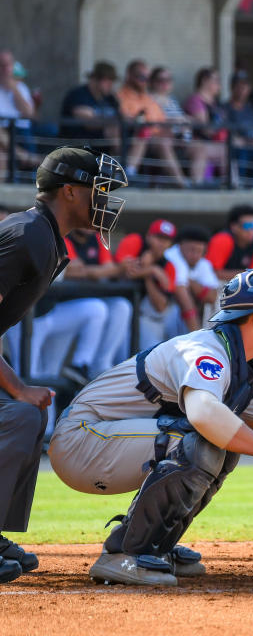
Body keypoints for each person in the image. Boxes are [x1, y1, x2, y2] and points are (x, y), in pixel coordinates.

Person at [48, 268, 253, 586]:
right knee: (200, 443)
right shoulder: (206, 352)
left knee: (221, 447)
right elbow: (204, 414)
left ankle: (156, 547)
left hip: (107, 441)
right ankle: (124, 554)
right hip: (83, 440)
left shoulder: (238, 362)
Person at [0, 147, 127, 583]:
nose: (104, 200)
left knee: (30, 415)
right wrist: (17, 387)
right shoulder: (30, 233)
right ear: (71, 192)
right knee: (19, 412)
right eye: (99, 190)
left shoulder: (48, 237)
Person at [32, 225, 134, 391]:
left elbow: (98, 269)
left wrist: (96, 271)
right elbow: (73, 269)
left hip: (72, 313)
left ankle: (95, 365)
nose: (89, 224)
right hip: (47, 310)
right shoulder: (64, 236)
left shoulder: (98, 239)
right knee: (34, 375)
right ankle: (80, 364)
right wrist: (110, 270)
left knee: (120, 306)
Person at [119, 60, 188, 187]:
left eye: (147, 77)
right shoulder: (120, 96)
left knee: (196, 145)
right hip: (137, 136)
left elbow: (161, 120)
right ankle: (182, 184)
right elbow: (128, 120)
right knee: (154, 139)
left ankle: (198, 182)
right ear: (129, 76)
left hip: (156, 136)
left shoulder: (146, 97)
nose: (144, 80)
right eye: (141, 77)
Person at [115, 219, 180, 349]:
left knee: (150, 354)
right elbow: (121, 272)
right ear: (148, 236)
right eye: (158, 237)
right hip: (117, 309)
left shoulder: (169, 266)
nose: (161, 243)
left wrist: (147, 274)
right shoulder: (135, 241)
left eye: (166, 240)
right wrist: (152, 270)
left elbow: (161, 306)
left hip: (146, 318)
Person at [165, 227, 222, 333]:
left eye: (199, 251)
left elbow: (212, 296)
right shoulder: (173, 256)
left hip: (178, 314)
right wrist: (197, 337)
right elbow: (182, 295)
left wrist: (191, 283)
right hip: (153, 314)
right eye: (191, 250)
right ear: (180, 246)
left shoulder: (203, 263)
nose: (195, 255)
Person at [182, 67, 227, 186]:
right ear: (204, 81)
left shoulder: (216, 104)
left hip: (213, 143)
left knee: (228, 149)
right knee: (223, 151)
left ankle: (231, 186)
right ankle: (197, 185)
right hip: (195, 142)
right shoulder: (195, 100)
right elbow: (206, 128)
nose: (219, 84)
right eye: (216, 80)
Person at [60, 60, 121, 144]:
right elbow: (89, 123)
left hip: (105, 147)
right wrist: (113, 122)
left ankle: (125, 157)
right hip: (79, 146)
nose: (110, 84)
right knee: (113, 131)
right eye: (107, 80)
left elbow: (121, 117)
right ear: (95, 79)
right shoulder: (78, 95)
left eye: (112, 80)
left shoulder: (110, 98)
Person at [206, 205, 253, 283]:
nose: (252, 230)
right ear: (234, 227)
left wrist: (246, 274)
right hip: (215, 285)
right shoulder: (223, 239)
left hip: (238, 283)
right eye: (247, 226)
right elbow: (212, 273)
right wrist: (246, 274)